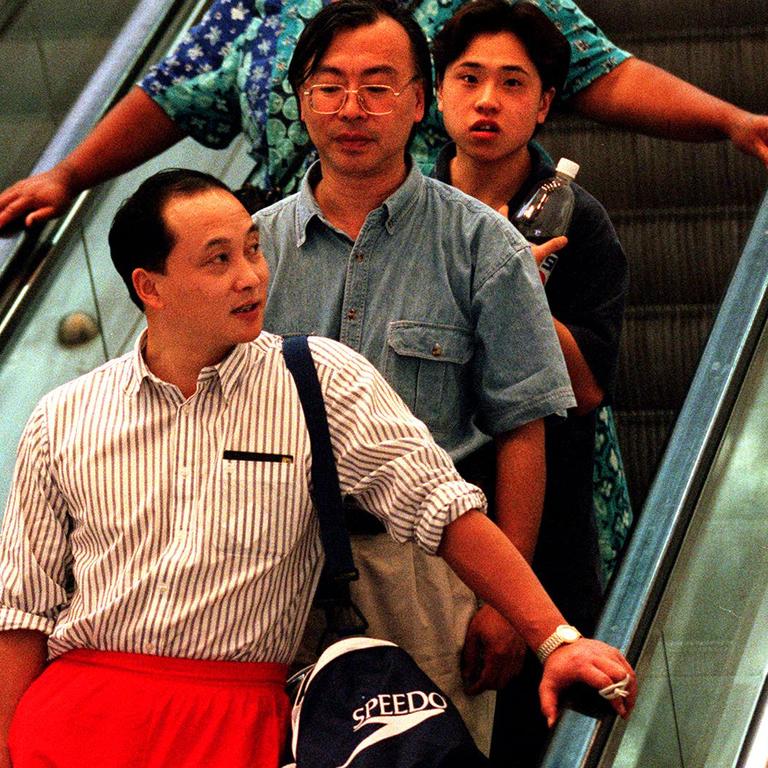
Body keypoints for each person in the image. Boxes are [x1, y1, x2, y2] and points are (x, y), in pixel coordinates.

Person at [0, 168, 637, 767]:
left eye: (253, 249)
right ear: (149, 287)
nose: (250, 277)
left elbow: (444, 509)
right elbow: (22, 611)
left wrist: (554, 637)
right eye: (218, 260)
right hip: (73, 719)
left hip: (237, 717)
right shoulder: (64, 416)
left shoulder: (320, 378)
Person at [255, 0, 575, 751]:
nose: (351, 108)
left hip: (429, 573)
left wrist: (503, 604)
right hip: (271, 569)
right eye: (328, 86)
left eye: (378, 85)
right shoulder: (250, 248)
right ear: (302, 100)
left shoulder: (482, 245)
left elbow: (522, 434)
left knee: (430, 756)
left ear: (420, 101)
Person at [0, 0, 767, 232]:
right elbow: (175, 90)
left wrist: (731, 121)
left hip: (446, 244)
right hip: (291, 247)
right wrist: (68, 172)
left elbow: (598, 70)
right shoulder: (259, 3)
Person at [430, 1, 627, 762]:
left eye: (513, 84)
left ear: (544, 103)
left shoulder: (580, 222)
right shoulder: (402, 211)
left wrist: (514, 284)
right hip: (416, 525)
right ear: (435, 95)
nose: (487, 101)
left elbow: (585, 390)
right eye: (468, 79)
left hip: (542, 527)